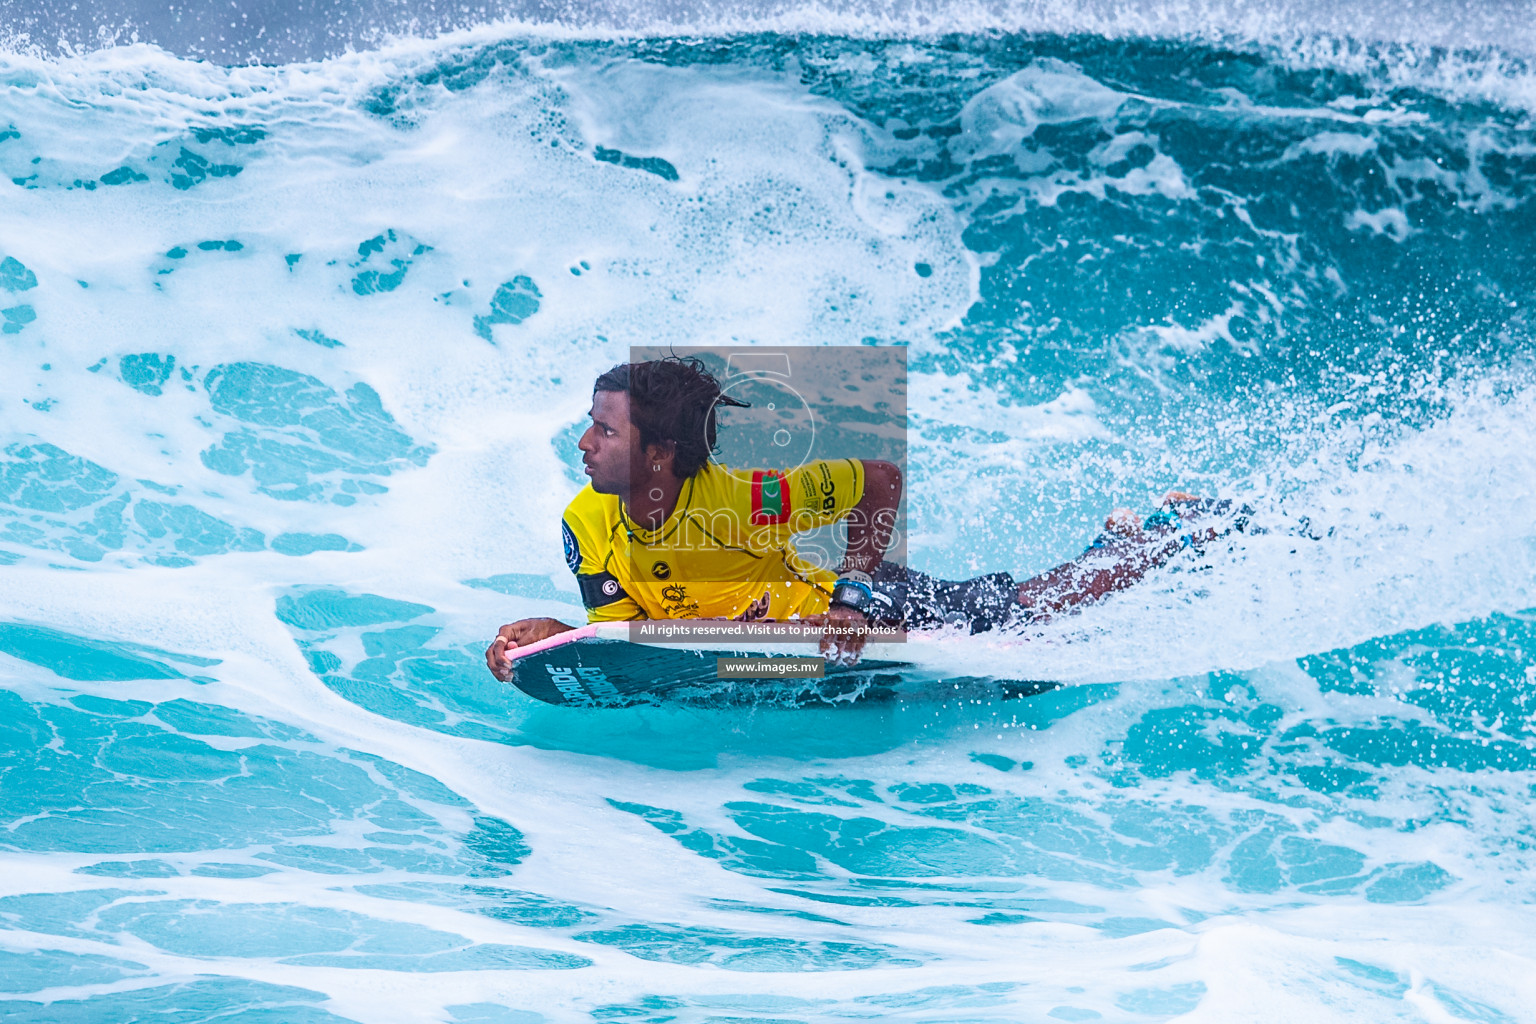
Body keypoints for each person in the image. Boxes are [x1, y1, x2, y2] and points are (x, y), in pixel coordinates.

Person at [486, 357, 1240, 680]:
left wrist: (854, 595)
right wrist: (558, 636)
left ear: (661, 454)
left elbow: (878, 480)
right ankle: (1131, 541)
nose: (584, 444)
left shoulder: (749, 502)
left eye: (607, 432)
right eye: (591, 425)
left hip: (870, 614)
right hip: (775, 640)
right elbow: (625, 626)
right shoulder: (584, 523)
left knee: (1028, 616)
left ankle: (1166, 539)